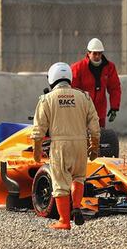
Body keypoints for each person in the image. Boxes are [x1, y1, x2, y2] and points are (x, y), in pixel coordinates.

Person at [31, 62, 100, 230]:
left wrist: (37, 151)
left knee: (60, 183)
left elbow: (38, 129)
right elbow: (95, 125)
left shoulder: (46, 99)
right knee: (78, 177)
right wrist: (94, 145)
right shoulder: (84, 97)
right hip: (80, 145)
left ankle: (64, 220)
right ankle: (76, 206)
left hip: (60, 145)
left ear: (51, 78)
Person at [71, 38, 121, 128]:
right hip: (82, 110)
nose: (97, 56)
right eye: (94, 53)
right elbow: (71, 89)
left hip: (100, 111)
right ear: (88, 53)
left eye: (100, 53)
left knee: (99, 137)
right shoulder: (78, 68)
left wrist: (114, 107)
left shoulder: (109, 67)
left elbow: (114, 88)